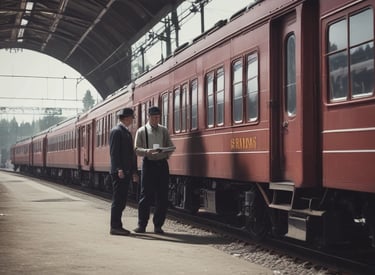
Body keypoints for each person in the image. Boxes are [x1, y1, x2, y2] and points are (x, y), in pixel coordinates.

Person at [133, 106, 175, 234]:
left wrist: (167, 151)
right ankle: (142, 225)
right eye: (155, 117)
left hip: (162, 164)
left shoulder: (164, 130)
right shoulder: (142, 131)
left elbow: (171, 146)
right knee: (146, 196)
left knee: (162, 197)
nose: (157, 119)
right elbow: (136, 149)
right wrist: (147, 151)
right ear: (149, 117)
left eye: (158, 117)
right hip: (149, 164)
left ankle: (158, 225)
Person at [109, 107, 137, 236]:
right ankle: (114, 226)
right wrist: (119, 168)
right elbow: (114, 153)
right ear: (126, 118)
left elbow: (130, 154)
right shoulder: (116, 131)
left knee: (122, 199)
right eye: (132, 117)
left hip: (125, 171)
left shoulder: (125, 131)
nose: (132, 120)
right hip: (119, 172)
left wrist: (133, 171)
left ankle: (118, 225)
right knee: (118, 199)